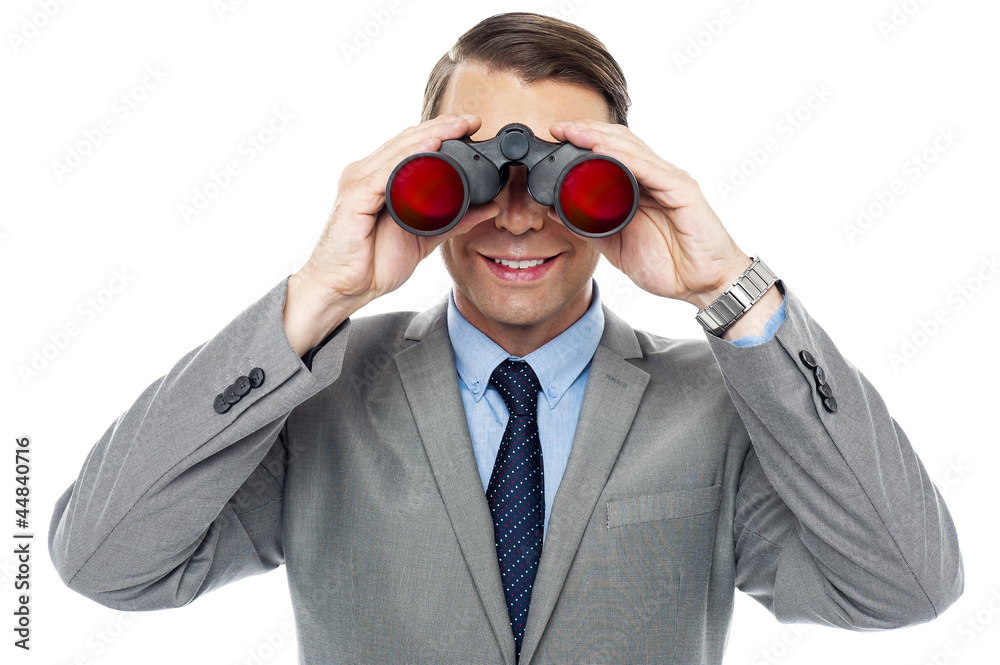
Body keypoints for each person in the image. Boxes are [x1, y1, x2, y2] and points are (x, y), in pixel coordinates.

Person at [48, 11, 963, 665]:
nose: (519, 218)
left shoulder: (715, 406)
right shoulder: (323, 392)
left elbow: (908, 587)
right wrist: (316, 297)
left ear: (630, 181)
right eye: (476, 174)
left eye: (573, 177)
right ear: (418, 173)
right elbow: (102, 559)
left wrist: (733, 288)